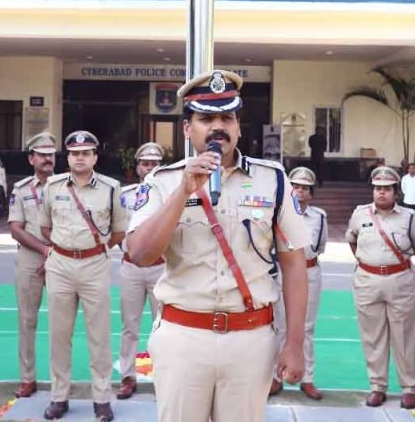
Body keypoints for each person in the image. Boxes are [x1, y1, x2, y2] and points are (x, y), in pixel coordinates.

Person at [127, 69, 310, 422]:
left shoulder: (272, 179)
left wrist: (295, 343)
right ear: (187, 128)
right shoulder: (163, 182)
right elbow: (140, 254)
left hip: (250, 339)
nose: (218, 127)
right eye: (206, 118)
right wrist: (184, 190)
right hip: (183, 336)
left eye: (227, 117)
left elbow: (293, 264)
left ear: (239, 125)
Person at [39, 130, 125, 421]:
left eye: (86, 153)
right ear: (68, 156)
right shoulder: (52, 187)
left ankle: (101, 399)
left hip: (94, 266)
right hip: (60, 265)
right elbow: (45, 227)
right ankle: (59, 396)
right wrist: (68, 249)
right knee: (59, 336)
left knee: (99, 336)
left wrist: (92, 250)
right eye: (75, 153)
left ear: (95, 157)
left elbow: (118, 232)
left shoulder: (111, 188)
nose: (80, 158)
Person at [346, 166, 415, 409]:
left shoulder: (409, 217)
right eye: (378, 188)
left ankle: (409, 387)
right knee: (373, 336)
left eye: (387, 189)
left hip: (400, 281)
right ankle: (377, 386)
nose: (382, 193)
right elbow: (353, 241)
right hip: (368, 280)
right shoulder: (360, 214)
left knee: (404, 336)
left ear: (396, 192)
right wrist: (369, 263)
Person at [7, 132, 58, 398]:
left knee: (61, 322)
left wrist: (54, 253)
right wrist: (43, 250)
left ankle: (60, 381)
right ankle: (28, 378)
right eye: (42, 154)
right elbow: (15, 228)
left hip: (61, 257)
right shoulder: (21, 190)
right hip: (30, 257)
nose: (48, 159)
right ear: (31, 158)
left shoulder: (66, 186)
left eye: (51, 154)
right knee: (27, 321)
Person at [270, 166, 326, 401]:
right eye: (296, 187)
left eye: (305, 188)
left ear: (311, 193)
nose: (300, 191)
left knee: (306, 327)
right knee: (278, 325)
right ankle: (275, 375)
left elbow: (320, 247)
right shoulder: (277, 213)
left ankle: (308, 378)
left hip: (309, 271)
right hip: (282, 272)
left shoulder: (319, 217)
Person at [116, 142, 166, 400]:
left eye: (155, 163)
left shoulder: (169, 192)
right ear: (137, 167)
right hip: (131, 267)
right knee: (130, 325)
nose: (150, 168)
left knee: (164, 325)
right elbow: (115, 226)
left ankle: (166, 378)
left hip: (160, 267)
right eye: (145, 163)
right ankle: (127, 376)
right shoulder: (124, 194)